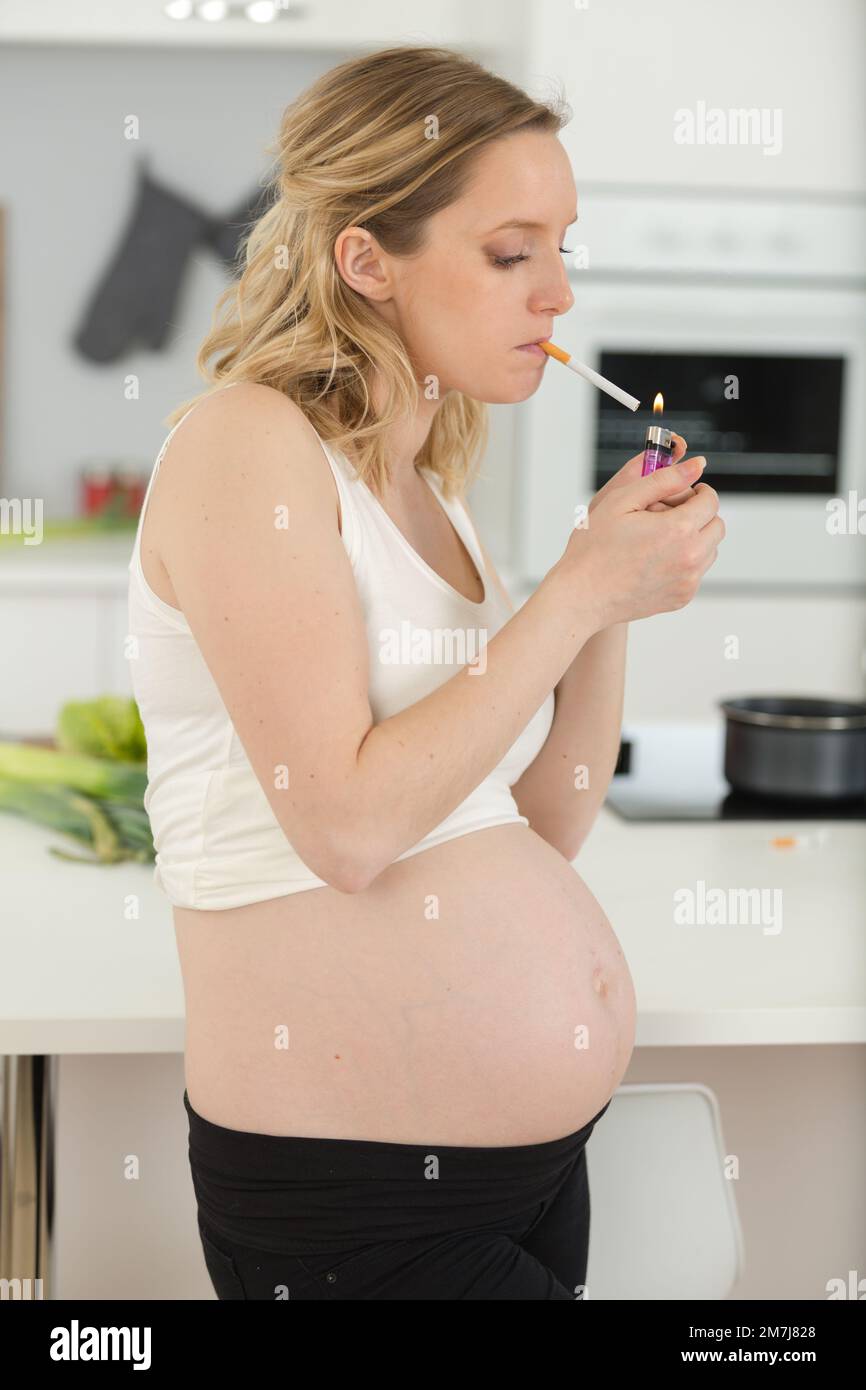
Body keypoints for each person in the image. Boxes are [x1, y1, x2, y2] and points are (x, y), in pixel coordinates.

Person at [127, 44, 723, 1300]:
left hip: (526, 1170)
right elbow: (345, 827)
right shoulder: (248, 447)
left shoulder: (429, 489)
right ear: (365, 260)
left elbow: (542, 821)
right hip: (357, 1208)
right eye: (512, 252)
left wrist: (601, 597)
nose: (556, 292)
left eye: (563, 245)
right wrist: (570, 595)